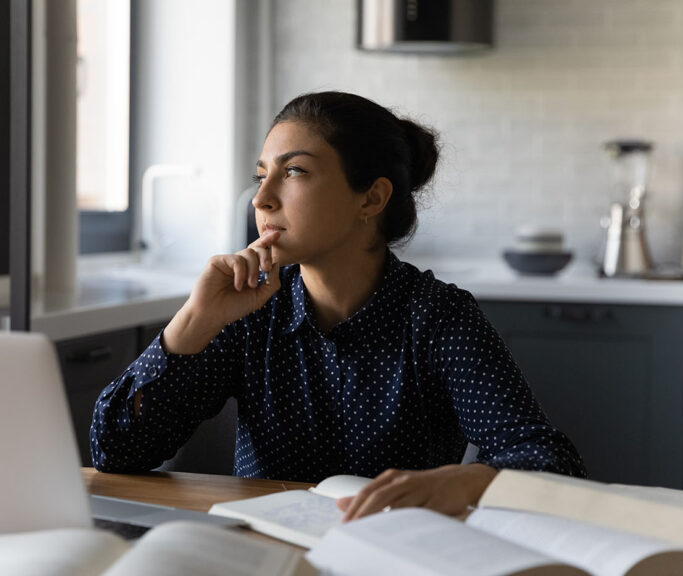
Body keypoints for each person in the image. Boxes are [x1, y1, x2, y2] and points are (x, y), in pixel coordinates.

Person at [90, 91, 586, 521]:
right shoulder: (248, 313)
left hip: (393, 555)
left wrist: (465, 481)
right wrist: (194, 321)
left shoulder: (438, 317)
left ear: (370, 199)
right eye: (262, 175)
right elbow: (116, 452)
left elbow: (550, 460)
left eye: (295, 171)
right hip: (267, 553)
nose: (261, 198)